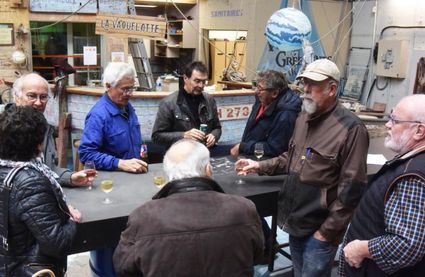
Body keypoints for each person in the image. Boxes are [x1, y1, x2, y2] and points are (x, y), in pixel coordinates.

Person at [235, 59, 369, 277]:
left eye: (313, 85)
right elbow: (292, 158)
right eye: (304, 83)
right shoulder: (303, 118)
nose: (305, 90)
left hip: (320, 229)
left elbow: (352, 188)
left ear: (332, 89)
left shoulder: (351, 129)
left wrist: (327, 232)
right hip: (296, 221)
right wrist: (258, 165)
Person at [113, 139, 264, 276]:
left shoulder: (143, 217)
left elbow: (123, 267)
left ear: (168, 174)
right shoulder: (244, 209)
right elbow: (257, 255)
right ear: (208, 170)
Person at [339, 95, 425, 277]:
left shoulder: (412, 176)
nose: (387, 124)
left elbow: (408, 244)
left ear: (419, 131)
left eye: (395, 120)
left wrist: (362, 248)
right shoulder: (412, 161)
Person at [0, 106, 80, 277]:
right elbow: (56, 243)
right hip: (25, 268)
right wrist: (70, 218)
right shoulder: (30, 181)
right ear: (38, 144)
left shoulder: (5, 168)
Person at [11, 73, 92, 187]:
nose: (38, 102)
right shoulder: (5, 130)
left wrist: (70, 177)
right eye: (32, 96)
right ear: (17, 97)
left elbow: (48, 168)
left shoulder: (44, 127)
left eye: (43, 97)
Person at [78, 62, 147, 173]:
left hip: (133, 175)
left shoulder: (127, 107)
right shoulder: (98, 115)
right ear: (108, 86)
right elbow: (86, 154)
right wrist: (119, 163)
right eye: (125, 89)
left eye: (132, 88)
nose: (130, 94)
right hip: (111, 180)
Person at [230, 70, 301, 158]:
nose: (256, 91)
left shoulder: (287, 113)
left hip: (266, 163)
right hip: (250, 156)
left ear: (274, 93)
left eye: (260, 89)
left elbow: (276, 148)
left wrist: (243, 147)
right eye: (256, 86)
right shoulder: (262, 100)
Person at [152, 61, 222, 150]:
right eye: (197, 81)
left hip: (203, 155)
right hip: (180, 158)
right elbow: (157, 137)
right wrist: (183, 135)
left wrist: (214, 135)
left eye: (204, 81)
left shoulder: (209, 100)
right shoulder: (169, 103)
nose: (201, 86)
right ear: (185, 78)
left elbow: (217, 128)